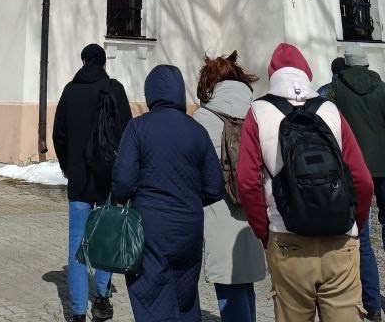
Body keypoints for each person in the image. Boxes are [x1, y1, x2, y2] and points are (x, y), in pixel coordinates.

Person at [236, 42, 374, 322]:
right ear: (306, 72)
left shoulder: (258, 113)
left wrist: (266, 233)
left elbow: (247, 182)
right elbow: (362, 180)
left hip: (288, 238)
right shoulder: (331, 111)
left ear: (272, 74)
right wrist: (354, 223)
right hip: (340, 238)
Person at [111, 63, 225, 322]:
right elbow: (215, 187)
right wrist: (190, 200)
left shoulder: (138, 128)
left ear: (150, 93)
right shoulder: (197, 130)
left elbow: (122, 184)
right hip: (190, 230)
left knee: (152, 298)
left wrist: (131, 198)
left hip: (151, 230)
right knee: (185, 299)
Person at [324, 50, 385, 319]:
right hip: (384, 168)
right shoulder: (382, 88)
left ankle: (372, 305)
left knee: (362, 234)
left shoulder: (336, 90)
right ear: (367, 64)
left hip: (354, 169)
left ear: (345, 66)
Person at [53, 43, 133, 322]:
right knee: (106, 238)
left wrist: (66, 165)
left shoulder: (70, 91)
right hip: (107, 178)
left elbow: (58, 133)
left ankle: (77, 313)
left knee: (77, 243)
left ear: (84, 61)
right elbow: (127, 132)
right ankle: (101, 296)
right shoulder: (114, 88)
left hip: (78, 178)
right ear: (102, 63)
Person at [193, 52, 267, 322]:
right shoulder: (257, 112)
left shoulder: (202, 118)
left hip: (219, 212)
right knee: (246, 285)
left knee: (229, 288)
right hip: (253, 211)